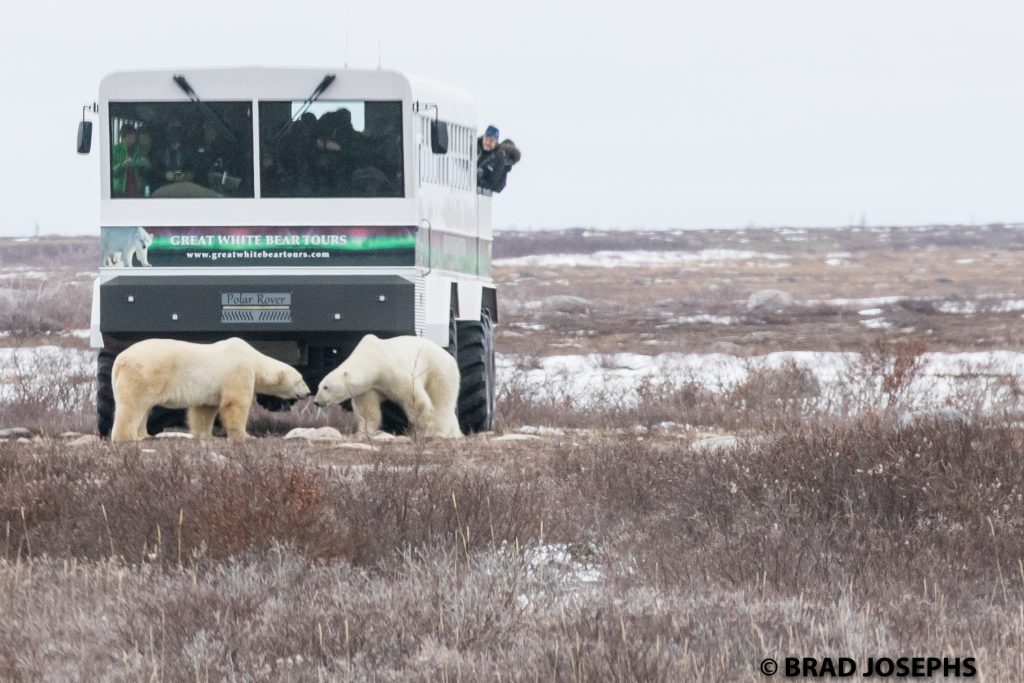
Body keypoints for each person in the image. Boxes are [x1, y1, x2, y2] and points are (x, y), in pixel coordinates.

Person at [111, 123, 152, 198]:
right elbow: (111, 173)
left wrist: (146, 165)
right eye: (129, 137)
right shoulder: (114, 150)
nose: (132, 140)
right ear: (122, 138)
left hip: (138, 191)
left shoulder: (140, 150)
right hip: (119, 192)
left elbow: (148, 170)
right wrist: (122, 166)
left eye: (133, 137)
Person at [477, 125, 521, 193]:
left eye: (491, 141)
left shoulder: (498, 157)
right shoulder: (477, 147)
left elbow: (492, 183)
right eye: (486, 139)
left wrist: (477, 180)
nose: (487, 143)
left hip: (483, 191)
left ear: (496, 142)